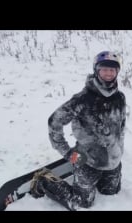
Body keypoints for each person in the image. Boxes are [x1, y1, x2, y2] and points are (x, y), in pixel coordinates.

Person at [30, 51, 126, 211]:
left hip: (112, 162)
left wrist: (117, 151)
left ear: (117, 72)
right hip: (85, 160)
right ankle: (43, 181)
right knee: (81, 203)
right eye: (104, 69)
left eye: (112, 69)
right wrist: (68, 153)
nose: (108, 73)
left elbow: (120, 128)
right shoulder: (82, 99)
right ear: (96, 70)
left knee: (111, 192)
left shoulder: (120, 98)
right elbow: (54, 122)